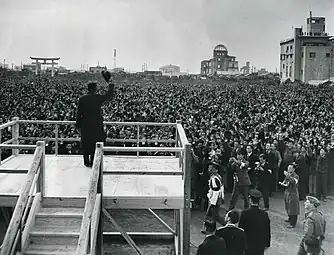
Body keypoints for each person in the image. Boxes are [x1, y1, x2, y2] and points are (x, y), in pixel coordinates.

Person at [76, 72, 115, 167]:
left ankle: (86, 162)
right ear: (94, 89)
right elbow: (108, 95)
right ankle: (93, 161)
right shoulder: (97, 98)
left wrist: (78, 125)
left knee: (86, 143)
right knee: (95, 142)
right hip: (96, 125)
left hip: (85, 125)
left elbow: (78, 113)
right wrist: (110, 84)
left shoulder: (82, 99)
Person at [238, 189, 271, 255]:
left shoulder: (245, 213)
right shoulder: (264, 214)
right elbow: (267, 230)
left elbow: (241, 230)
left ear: (250, 200)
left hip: (248, 244)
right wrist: (267, 243)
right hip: (260, 245)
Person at [202, 161, 225, 234]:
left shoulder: (214, 178)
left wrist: (212, 202)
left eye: (211, 168)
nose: (209, 169)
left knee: (212, 215)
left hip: (214, 199)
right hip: (216, 198)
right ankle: (210, 228)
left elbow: (215, 190)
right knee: (214, 216)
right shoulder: (217, 176)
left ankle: (226, 225)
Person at [279, 163, 300, 228]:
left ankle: (293, 223)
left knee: (293, 208)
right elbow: (286, 182)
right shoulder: (288, 175)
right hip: (287, 192)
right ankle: (290, 218)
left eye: (290, 168)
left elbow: (293, 181)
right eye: (288, 168)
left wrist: (287, 175)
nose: (288, 169)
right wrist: (283, 183)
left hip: (293, 193)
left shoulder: (296, 176)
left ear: (293, 169)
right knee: (287, 206)